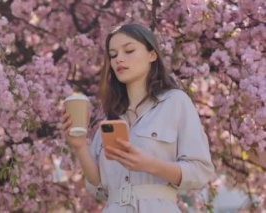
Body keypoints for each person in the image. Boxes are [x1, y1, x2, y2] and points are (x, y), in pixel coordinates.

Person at [60, 23, 216, 213]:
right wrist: (80, 146)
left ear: (152, 55)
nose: (119, 59)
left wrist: (150, 164)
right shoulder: (109, 115)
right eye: (113, 54)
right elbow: (98, 186)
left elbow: (200, 171)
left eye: (129, 50)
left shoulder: (175, 102)